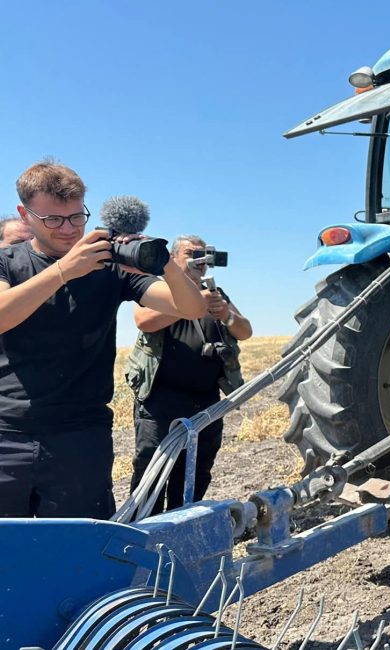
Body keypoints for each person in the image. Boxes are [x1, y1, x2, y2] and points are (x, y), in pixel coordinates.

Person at [0, 160, 206, 518]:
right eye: (53, 220)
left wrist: (163, 263)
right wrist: (65, 270)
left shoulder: (109, 266)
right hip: (6, 433)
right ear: (25, 213)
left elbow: (189, 308)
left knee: (77, 553)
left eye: (77, 217)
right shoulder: (7, 261)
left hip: (80, 436)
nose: (68, 229)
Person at [126, 235, 252, 514]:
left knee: (195, 473)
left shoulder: (215, 292)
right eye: (192, 253)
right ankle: (144, 535)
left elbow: (245, 331)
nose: (200, 260)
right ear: (172, 258)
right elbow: (144, 321)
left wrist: (226, 316)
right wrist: (192, 306)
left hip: (206, 401)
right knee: (152, 470)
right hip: (161, 402)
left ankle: (183, 530)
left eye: (205, 254)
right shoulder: (157, 288)